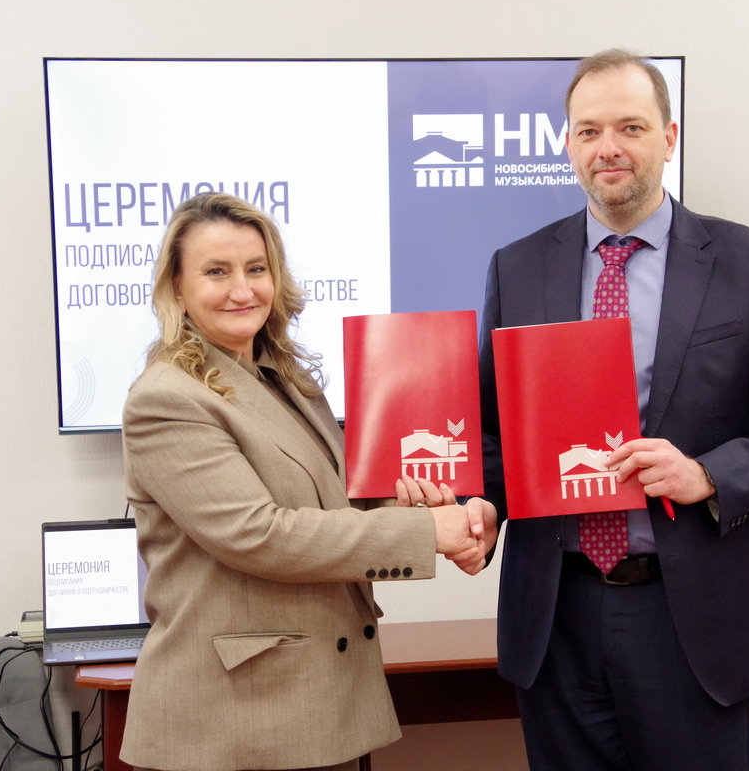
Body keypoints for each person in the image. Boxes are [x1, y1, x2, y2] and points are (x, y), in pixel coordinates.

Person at [471, 49, 749, 770]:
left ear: (669, 138)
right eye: (588, 131)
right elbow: (494, 429)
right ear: (568, 144)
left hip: (691, 615)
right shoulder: (516, 267)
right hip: (556, 613)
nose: (607, 147)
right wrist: (480, 506)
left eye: (631, 127)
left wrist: (708, 473)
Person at [118, 192, 490, 771]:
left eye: (256, 269)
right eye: (216, 272)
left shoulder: (286, 380)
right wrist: (425, 533)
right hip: (236, 718)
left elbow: (331, 505)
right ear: (177, 289)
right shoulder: (167, 398)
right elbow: (259, 535)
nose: (242, 290)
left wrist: (434, 512)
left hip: (312, 699)